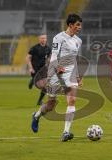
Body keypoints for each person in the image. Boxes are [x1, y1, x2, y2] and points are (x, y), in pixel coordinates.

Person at [31, 13, 83, 142]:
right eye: (77, 25)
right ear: (70, 25)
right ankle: (37, 116)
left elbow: (75, 59)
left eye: (80, 25)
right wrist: (57, 66)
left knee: (72, 100)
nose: (80, 27)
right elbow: (53, 56)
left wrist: (78, 75)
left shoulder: (78, 41)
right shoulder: (58, 38)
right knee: (50, 105)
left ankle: (66, 132)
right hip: (55, 72)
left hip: (70, 73)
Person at [26, 34, 51, 106]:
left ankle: (39, 101)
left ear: (46, 39)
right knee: (41, 85)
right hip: (35, 69)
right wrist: (30, 68)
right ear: (39, 39)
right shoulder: (34, 48)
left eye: (44, 38)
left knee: (45, 87)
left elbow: (49, 58)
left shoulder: (48, 49)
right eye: (42, 38)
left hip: (43, 69)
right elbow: (27, 58)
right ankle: (33, 81)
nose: (43, 39)